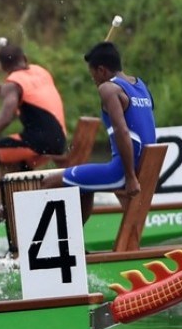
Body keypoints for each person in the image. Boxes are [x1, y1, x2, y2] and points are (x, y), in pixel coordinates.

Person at [41, 42, 156, 222]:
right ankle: (74, 243)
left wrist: (130, 177)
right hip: (144, 168)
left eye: (92, 74)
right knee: (83, 186)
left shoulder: (108, 89)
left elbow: (123, 132)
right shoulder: (141, 86)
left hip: (122, 173)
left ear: (101, 70)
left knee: (49, 182)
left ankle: (49, 244)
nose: (93, 80)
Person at [0, 44, 66, 169]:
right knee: (7, 154)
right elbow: (25, 91)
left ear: (2, 67)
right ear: (25, 58)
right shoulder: (40, 71)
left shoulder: (12, 85)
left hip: (38, 143)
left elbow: (6, 118)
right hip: (59, 141)